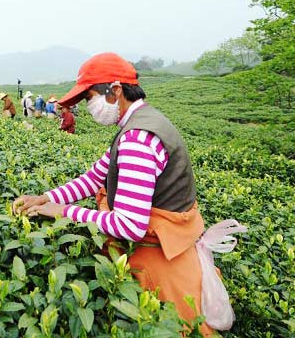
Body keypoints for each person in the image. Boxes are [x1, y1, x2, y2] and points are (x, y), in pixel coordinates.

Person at [13, 52, 215, 336]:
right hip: (168, 253)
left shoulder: (137, 139)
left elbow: (130, 225)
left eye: (90, 97)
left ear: (116, 91)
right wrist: (47, 198)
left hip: (160, 265)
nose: (89, 106)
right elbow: (95, 177)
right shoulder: (139, 124)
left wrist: (64, 211)